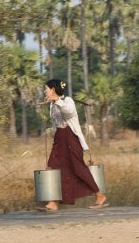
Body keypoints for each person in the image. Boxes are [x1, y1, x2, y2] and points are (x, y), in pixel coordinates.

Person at [40, 79, 107, 212]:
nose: (44, 91)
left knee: (78, 168)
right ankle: (52, 202)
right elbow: (56, 123)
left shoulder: (68, 101)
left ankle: (99, 195)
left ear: (53, 90)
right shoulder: (52, 105)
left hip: (71, 138)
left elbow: (68, 112)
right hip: (59, 138)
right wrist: (53, 102)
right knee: (53, 165)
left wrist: (56, 100)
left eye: (46, 88)